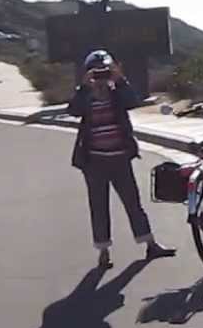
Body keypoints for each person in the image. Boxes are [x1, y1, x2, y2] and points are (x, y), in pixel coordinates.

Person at [68, 50, 176, 269]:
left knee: (133, 203)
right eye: (96, 73)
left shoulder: (117, 93)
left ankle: (150, 244)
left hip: (119, 159)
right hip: (94, 162)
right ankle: (103, 251)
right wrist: (83, 87)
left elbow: (133, 102)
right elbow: (73, 110)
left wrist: (120, 79)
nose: (101, 77)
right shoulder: (85, 95)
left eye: (104, 72)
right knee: (99, 207)